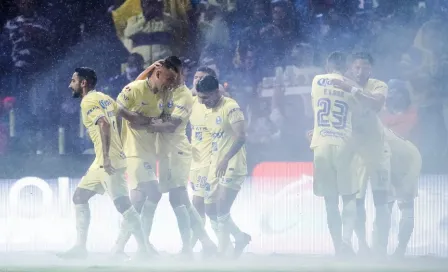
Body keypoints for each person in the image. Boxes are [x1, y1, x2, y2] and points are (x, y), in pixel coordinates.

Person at [59, 67, 149, 259]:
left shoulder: (88, 101)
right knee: (79, 197)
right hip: (101, 161)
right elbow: (129, 115)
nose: (70, 85)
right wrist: (150, 122)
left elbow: (104, 124)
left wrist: (107, 157)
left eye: (73, 81)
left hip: (109, 161)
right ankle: (80, 247)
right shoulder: (104, 98)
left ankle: (145, 250)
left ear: (83, 83)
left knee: (124, 206)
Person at [133, 57, 217, 257]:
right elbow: (137, 85)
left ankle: (184, 248)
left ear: (182, 73)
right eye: (168, 74)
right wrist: (151, 68)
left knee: (177, 199)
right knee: (179, 201)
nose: (173, 77)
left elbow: (172, 125)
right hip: (163, 152)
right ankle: (204, 243)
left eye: (176, 73)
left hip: (177, 151)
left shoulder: (184, 95)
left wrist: (143, 123)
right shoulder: (166, 89)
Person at [111, 60, 178, 256]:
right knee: (146, 195)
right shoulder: (134, 88)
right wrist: (132, 118)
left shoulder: (166, 94)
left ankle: (127, 246)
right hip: (132, 151)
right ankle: (137, 246)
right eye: (168, 78)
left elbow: (167, 118)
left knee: (146, 197)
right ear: (157, 74)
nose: (171, 83)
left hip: (149, 151)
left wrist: (149, 122)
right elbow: (116, 108)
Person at [332, 52, 391, 257]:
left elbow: (375, 104)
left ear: (370, 69)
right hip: (355, 153)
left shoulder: (378, 85)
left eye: (365, 67)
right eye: (356, 67)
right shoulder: (342, 85)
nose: (360, 71)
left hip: (377, 151)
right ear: (350, 67)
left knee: (382, 201)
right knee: (357, 202)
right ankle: (361, 244)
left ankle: (380, 248)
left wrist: (353, 89)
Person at [309, 52, 360, 257]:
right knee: (349, 197)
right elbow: (357, 117)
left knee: (330, 200)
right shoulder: (352, 87)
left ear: (327, 65)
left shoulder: (316, 81)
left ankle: (338, 246)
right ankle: (347, 240)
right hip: (344, 144)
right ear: (346, 66)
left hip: (321, 144)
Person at [196, 75, 251, 259]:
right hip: (215, 165)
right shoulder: (208, 112)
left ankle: (222, 253)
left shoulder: (231, 107)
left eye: (205, 98)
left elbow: (241, 136)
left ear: (216, 92)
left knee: (221, 208)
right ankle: (239, 237)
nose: (202, 102)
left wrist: (226, 158)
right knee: (210, 208)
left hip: (232, 163)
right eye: (200, 98)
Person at [385, 128, 422, 258]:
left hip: (408, 163)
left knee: (404, 208)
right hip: (394, 164)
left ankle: (400, 250)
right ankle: (380, 248)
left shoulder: (372, 134)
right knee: (384, 209)